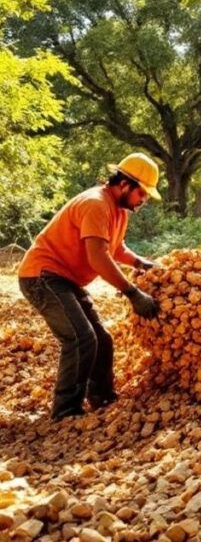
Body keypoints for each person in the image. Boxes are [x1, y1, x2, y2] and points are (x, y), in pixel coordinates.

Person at [18, 153, 161, 420]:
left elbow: (115, 248)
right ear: (125, 184)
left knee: (102, 340)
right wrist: (132, 292)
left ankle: (102, 398)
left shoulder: (118, 210)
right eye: (142, 193)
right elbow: (98, 257)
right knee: (81, 338)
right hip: (42, 276)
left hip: (66, 280)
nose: (144, 200)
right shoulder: (96, 204)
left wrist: (141, 263)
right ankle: (66, 411)